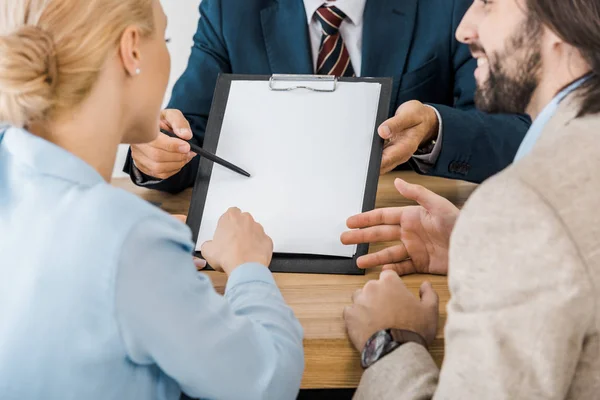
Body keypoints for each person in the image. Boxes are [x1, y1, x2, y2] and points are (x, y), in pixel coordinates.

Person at [0, 1, 303, 399]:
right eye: (166, 38)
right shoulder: (130, 239)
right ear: (132, 51)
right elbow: (270, 382)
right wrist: (248, 267)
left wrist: (153, 255)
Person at [341, 0, 600, 398]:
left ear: (561, 19)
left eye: (489, 4)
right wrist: (488, 249)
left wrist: (389, 343)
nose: (464, 29)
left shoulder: (526, 206)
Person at [123, 0, 532, 194]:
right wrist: (155, 155)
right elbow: (186, 136)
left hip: (404, 234)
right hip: (267, 240)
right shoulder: (231, 9)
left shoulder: (451, 8)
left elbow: (518, 136)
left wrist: (433, 130)